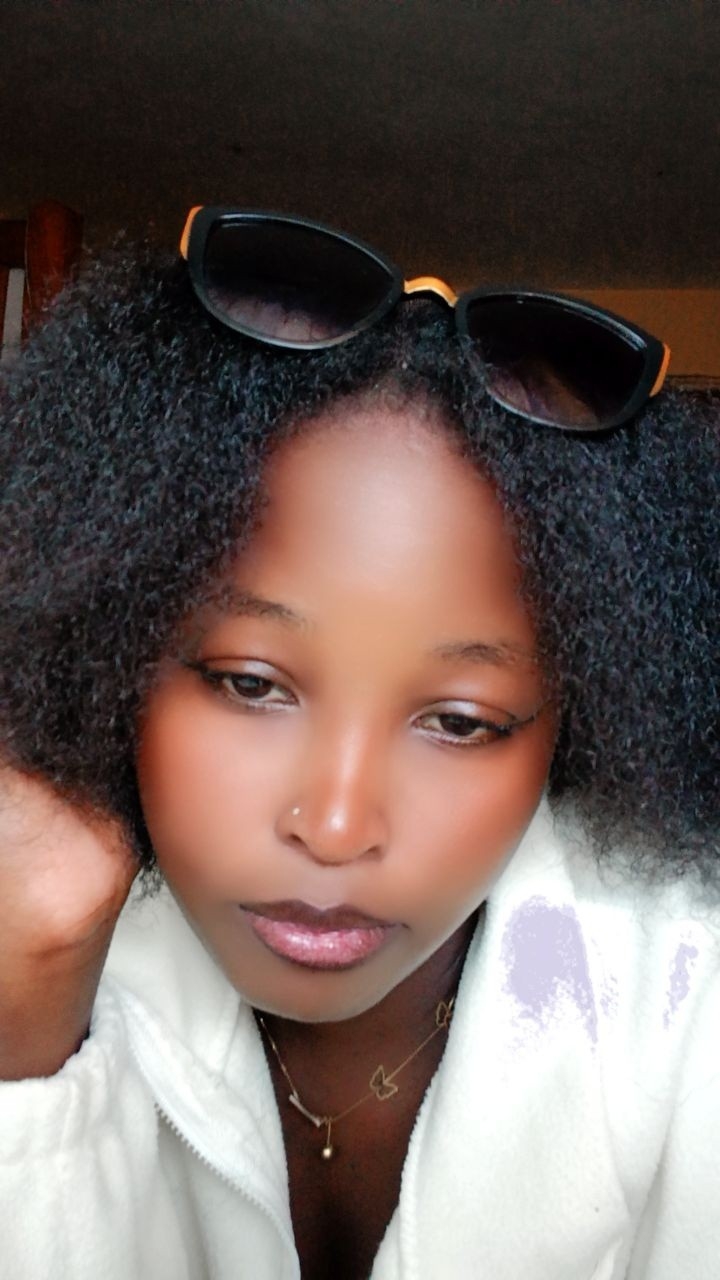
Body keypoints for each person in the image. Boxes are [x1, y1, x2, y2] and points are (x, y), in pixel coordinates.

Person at [0, 210, 718, 1280]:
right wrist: (26, 1023)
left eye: (462, 722)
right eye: (251, 684)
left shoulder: (691, 1007)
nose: (336, 826)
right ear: (110, 640)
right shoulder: (40, 921)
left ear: (586, 719)